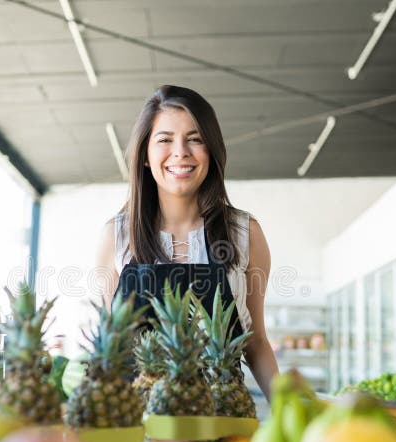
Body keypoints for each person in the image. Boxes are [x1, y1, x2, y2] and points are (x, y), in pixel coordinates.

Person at [95, 85, 278, 401]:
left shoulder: (245, 233)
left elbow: (256, 342)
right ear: (145, 156)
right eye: (165, 140)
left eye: (195, 139)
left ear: (212, 151)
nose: (180, 152)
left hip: (222, 418)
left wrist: (288, 406)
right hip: (140, 425)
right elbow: (111, 345)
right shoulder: (117, 236)